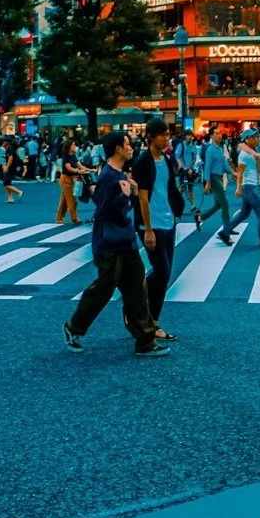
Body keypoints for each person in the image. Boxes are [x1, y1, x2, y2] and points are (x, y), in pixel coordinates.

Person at [61, 132, 164, 357]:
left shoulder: (117, 174)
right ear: (118, 148)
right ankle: (74, 328)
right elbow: (103, 208)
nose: (131, 148)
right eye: (127, 145)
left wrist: (131, 195)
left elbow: (117, 208)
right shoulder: (109, 176)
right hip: (109, 242)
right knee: (104, 289)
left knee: (136, 288)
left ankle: (145, 340)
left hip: (124, 240)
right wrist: (126, 197)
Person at [134, 121, 178, 338]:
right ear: (151, 136)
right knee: (162, 272)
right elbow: (142, 197)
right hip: (152, 225)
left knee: (165, 274)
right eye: (162, 134)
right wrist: (148, 229)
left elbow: (169, 188)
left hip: (169, 222)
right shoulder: (143, 161)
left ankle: (153, 321)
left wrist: (176, 211)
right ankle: (137, 306)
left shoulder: (167, 159)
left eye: (168, 134)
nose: (167, 138)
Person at [217, 131, 260, 249]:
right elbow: (240, 173)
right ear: (247, 139)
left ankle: (225, 232)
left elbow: (258, 169)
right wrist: (238, 188)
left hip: (250, 186)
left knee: (244, 213)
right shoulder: (244, 155)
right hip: (249, 187)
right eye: (254, 137)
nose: (257, 139)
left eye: (257, 137)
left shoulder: (251, 152)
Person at [193, 133, 232, 230]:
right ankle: (227, 229)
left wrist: (232, 172)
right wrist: (208, 182)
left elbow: (223, 162)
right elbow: (207, 167)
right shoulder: (210, 150)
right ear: (212, 136)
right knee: (225, 204)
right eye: (216, 133)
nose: (220, 135)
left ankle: (200, 217)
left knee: (218, 205)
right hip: (214, 179)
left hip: (218, 177)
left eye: (220, 133)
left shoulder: (220, 148)